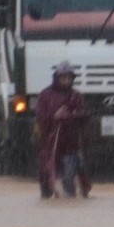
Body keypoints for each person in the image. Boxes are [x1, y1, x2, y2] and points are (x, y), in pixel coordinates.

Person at [35, 61, 91, 200]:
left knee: (69, 177)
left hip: (70, 144)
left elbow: (85, 114)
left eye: (68, 78)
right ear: (57, 78)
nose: (66, 81)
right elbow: (40, 116)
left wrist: (76, 115)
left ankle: (71, 196)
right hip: (50, 143)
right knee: (47, 174)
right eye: (63, 77)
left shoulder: (76, 96)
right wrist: (54, 117)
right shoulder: (45, 95)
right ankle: (47, 195)